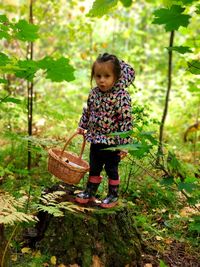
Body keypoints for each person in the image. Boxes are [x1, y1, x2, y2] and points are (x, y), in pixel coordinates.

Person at [75, 53, 135, 208]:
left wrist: (124, 144)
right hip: (95, 138)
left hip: (112, 142)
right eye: (98, 76)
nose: (102, 80)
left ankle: (113, 195)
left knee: (111, 168)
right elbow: (88, 111)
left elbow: (126, 121)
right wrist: (83, 125)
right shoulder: (94, 93)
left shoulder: (121, 96)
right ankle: (90, 192)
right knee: (94, 166)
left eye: (107, 76)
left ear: (116, 76)